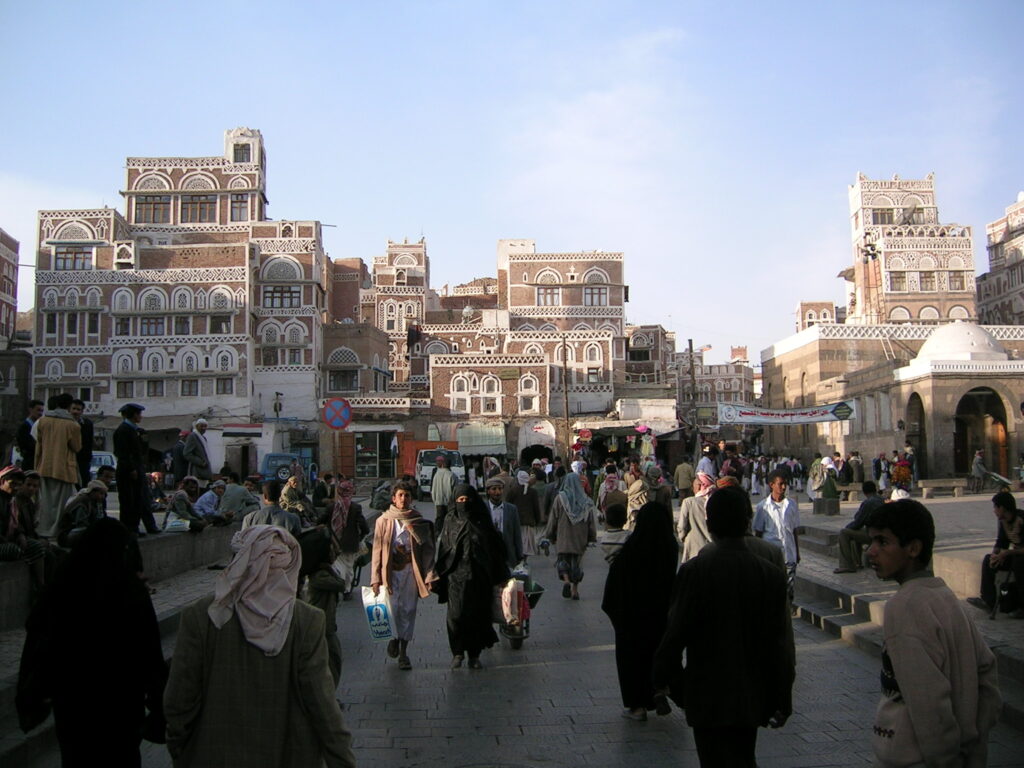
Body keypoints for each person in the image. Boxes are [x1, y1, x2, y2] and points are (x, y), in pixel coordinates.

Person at [164, 525, 356, 767]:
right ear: (289, 566)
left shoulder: (202, 615)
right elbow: (322, 706)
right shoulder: (305, 620)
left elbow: (179, 699)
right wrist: (342, 760)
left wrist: (179, 748)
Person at [653, 485, 793, 767]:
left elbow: (674, 635)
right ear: (747, 522)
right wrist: (782, 695)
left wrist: (676, 687)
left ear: (709, 524)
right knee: (744, 756)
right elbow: (781, 644)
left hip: (707, 694)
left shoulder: (694, 572)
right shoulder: (772, 576)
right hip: (751, 693)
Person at [18, 518, 167, 767]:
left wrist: (33, 695)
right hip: (120, 703)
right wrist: (159, 701)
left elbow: (39, 642)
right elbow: (149, 653)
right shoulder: (130, 591)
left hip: (73, 703)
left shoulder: (62, 586)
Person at [865, 499, 1001, 767]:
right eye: (871, 542)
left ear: (913, 548)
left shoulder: (903, 607)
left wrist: (946, 758)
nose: (871, 551)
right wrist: (974, 743)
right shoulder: (945, 596)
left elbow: (928, 702)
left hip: (916, 757)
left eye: (883, 542)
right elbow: (988, 679)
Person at [602, 502, 679, 721]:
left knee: (632, 660)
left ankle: (637, 707)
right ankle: (659, 688)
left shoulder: (634, 547)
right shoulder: (670, 546)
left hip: (632, 617)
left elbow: (614, 585)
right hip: (660, 614)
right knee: (657, 653)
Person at [433, 483, 510, 669]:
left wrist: (502, 575)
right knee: (455, 615)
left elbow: (495, 549)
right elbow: (444, 549)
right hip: (455, 579)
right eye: (460, 500)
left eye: (467, 500)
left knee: (478, 617)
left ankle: (474, 655)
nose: (464, 503)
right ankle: (457, 652)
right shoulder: (450, 520)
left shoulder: (482, 521)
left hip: (479, 578)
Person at [370, 480, 436, 670]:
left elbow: (428, 549)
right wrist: (375, 578)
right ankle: (393, 638)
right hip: (390, 573)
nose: (403, 499)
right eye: (400, 495)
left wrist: (429, 574)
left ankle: (404, 651)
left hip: (410, 573)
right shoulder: (383, 521)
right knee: (392, 609)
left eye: (407, 495)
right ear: (393, 498)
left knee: (408, 610)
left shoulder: (417, 520)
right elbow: (376, 551)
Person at [300, 528, 346, 687]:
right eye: (331, 551)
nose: (335, 553)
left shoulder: (321, 573)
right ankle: (329, 697)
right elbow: (341, 585)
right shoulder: (320, 576)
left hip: (325, 625)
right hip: (322, 627)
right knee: (332, 661)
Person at [542, 472, 597, 600]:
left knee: (563, 560)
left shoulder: (560, 499)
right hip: (580, 538)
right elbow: (591, 522)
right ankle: (574, 590)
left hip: (563, 536)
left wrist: (549, 534)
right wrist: (591, 537)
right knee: (577, 563)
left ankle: (566, 580)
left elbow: (553, 518)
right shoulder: (586, 501)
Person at [966, 491, 1024, 613]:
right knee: (988, 560)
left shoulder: (1021, 519)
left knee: (1019, 564)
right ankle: (988, 601)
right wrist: (995, 555)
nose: (994, 511)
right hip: (1014, 554)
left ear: (1002, 508)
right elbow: (1001, 542)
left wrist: (1007, 553)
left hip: (1021, 556)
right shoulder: (1003, 522)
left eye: (995, 507)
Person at [33, 393, 81, 538]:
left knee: (46, 502)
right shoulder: (73, 424)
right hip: (64, 468)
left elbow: (38, 446)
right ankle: (57, 530)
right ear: (68, 406)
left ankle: (43, 529)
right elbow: (77, 447)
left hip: (44, 466)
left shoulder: (43, 421)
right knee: (62, 504)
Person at [0, 467, 52, 592]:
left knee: (42, 549)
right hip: (2, 541)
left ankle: (42, 586)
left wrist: (20, 535)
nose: (16, 488)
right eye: (13, 484)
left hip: (9, 538)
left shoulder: (11, 501)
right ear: (2, 481)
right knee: (16, 550)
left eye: (19, 485)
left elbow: (15, 525)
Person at [753, 469, 801, 602]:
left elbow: (794, 530)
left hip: (789, 553)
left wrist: (797, 552)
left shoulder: (791, 505)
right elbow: (758, 532)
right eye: (780, 484)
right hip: (771, 554)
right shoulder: (763, 507)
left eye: (785, 484)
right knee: (773, 589)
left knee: (789, 589)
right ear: (771, 485)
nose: (783, 487)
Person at [114, 403, 159, 536]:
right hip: (128, 471)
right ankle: (128, 529)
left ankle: (135, 527)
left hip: (137, 468)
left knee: (139, 500)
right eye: (139, 414)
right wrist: (131, 469)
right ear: (133, 415)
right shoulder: (123, 430)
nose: (140, 416)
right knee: (128, 501)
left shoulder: (136, 430)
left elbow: (141, 451)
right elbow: (122, 453)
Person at [322, 479, 369, 600]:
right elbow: (364, 527)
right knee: (349, 567)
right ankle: (346, 590)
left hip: (333, 543)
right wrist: (360, 537)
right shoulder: (356, 507)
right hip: (350, 543)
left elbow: (320, 522)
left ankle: (338, 586)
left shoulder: (331, 507)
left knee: (337, 565)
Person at [834, 480, 884, 574]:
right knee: (856, 531)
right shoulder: (881, 499)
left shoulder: (868, 503)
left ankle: (847, 565)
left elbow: (858, 521)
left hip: (873, 534)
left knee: (844, 533)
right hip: (882, 531)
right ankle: (857, 562)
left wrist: (847, 527)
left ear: (864, 492)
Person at [484, 476, 523, 569]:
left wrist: (519, 555)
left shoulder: (511, 509)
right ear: (488, 491)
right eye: (494, 489)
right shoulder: (483, 509)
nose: (497, 492)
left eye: (500, 489)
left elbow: (517, 534)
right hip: (489, 555)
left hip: (508, 554)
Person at [56, 480, 109, 547]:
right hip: (67, 534)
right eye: (101, 493)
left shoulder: (96, 502)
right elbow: (81, 523)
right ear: (92, 492)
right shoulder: (83, 502)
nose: (103, 497)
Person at [677, 472, 715, 563]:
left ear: (698, 486)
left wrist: (683, 538)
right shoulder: (715, 502)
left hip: (693, 550)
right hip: (713, 549)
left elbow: (682, 527)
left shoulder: (688, 502)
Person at [506, 469, 541, 559]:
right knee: (526, 545)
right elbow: (536, 508)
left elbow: (507, 505)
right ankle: (523, 560)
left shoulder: (513, 491)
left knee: (518, 542)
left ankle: (519, 560)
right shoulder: (533, 492)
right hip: (528, 522)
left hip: (516, 521)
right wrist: (537, 520)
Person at [69, 399, 93, 488]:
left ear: (82, 411)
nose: (75, 412)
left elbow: (89, 442)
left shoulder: (87, 424)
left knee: (83, 484)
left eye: (78, 409)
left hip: (83, 460)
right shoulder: (66, 423)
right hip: (69, 459)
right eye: (74, 408)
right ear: (69, 410)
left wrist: (87, 458)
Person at [183, 418, 212, 488]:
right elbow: (187, 453)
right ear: (197, 426)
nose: (203, 428)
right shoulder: (192, 436)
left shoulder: (203, 438)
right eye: (201, 426)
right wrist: (200, 462)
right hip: (197, 472)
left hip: (204, 472)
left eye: (205, 426)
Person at [15, 400, 44, 472]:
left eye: (42, 411)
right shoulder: (25, 427)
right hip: (29, 462)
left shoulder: (39, 425)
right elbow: (27, 446)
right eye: (38, 410)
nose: (40, 413)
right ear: (31, 410)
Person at [431, 455, 456, 534]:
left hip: (438, 502)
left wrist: (435, 500)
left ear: (443, 464)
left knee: (439, 520)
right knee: (450, 520)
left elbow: (433, 489)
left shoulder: (437, 474)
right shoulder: (452, 475)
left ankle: (436, 536)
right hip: (449, 503)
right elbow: (455, 491)